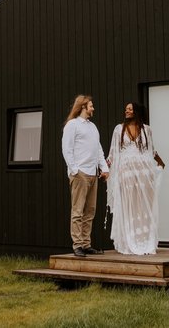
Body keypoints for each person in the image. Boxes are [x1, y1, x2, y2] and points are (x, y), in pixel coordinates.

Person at [106, 102, 164, 255]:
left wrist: (161, 163)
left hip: (144, 173)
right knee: (128, 206)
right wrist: (106, 168)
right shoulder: (119, 129)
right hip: (126, 174)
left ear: (136, 111)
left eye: (130, 109)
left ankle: (145, 239)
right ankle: (129, 239)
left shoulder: (147, 130)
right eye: (125, 109)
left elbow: (152, 150)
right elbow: (113, 152)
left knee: (144, 207)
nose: (127, 111)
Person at [61, 94, 109, 256]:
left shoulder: (92, 127)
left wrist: (104, 168)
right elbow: (66, 149)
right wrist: (75, 170)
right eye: (91, 105)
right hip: (80, 174)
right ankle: (77, 245)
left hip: (93, 174)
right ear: (82, 107)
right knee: (78, 211)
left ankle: (87, 244)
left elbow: (99, 149)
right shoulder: (72, 125)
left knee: (90, 211)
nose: (93, 108)